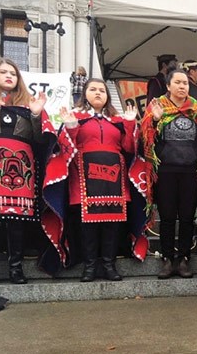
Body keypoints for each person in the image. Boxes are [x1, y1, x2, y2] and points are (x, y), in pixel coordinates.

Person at [46, 79, 141, 281]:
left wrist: (131, 123)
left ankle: (109, 265)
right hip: (83, 179)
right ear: (84, 93)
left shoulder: (117, 120)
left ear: (107, 96)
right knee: (87, 225)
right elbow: (66, 147)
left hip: (114, 178)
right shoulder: (75, 117)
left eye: (102, 90)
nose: (98, 93)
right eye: (93, 89)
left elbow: (129, 149)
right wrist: (71, 126)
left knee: (112, 224)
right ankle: (89, 266)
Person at [0, 57, 52, 286]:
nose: (9, 76)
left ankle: (16, 267)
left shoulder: (29, 104)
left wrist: (37, 115)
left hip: (22, 168)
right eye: (3, 72)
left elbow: (41, 140)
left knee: (17, 221)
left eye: (13, 73)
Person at [141, 69, 197, 279]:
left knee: (187, 217)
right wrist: (154, 122)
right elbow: (146, 142)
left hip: (190, 171)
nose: (183, 86)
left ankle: (183, 258)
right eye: (178, 82)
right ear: (168, 86)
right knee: (167, 217)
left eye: (185, 83)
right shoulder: (157, 108)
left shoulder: (196, 108)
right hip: (165, 171)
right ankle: (166, 258)